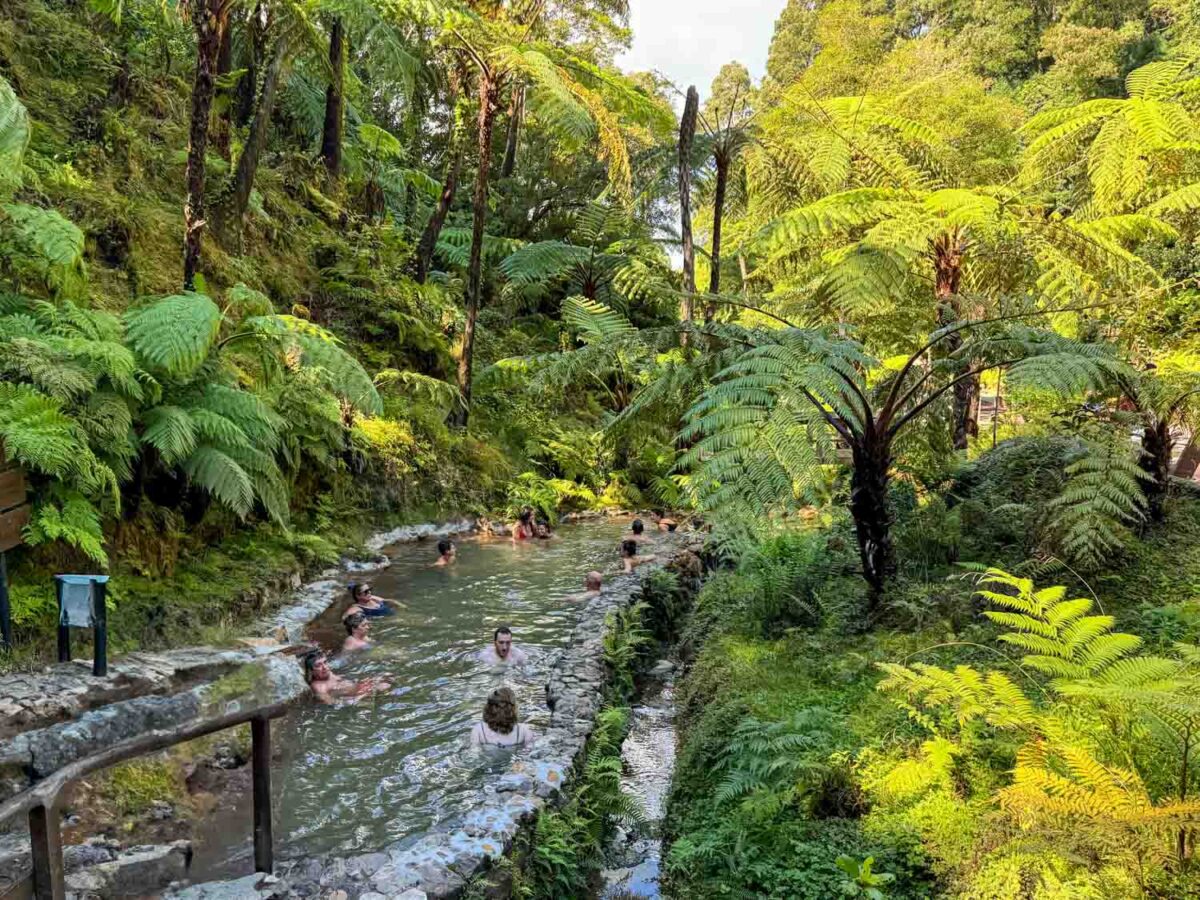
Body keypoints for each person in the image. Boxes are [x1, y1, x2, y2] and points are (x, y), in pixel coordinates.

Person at [302, 650, 390, 704]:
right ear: (312, 671)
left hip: (358, 687)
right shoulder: (319, 686)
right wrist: (359, 698)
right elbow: (331, 702)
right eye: (318, 665)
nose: (324, 667)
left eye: (325, 662)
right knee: (384, 686)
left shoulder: (326, 672)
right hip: (357, 696)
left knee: (387, 675)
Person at [469, 686, 535, 748]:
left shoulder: (479, 730)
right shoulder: (524, 731)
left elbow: (473, 754)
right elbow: (529, 754)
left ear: (488, 708)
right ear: (514, 708)